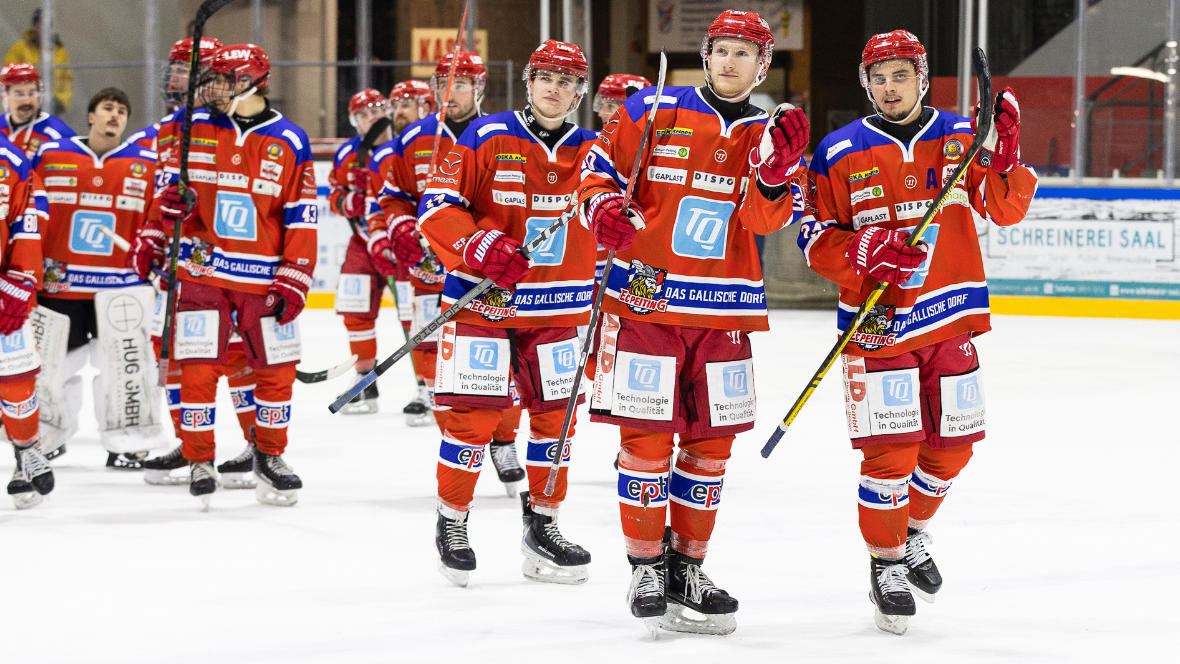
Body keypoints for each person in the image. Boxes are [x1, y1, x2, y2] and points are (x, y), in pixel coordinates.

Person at [796, 29, 1036, 635]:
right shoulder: (837, 149)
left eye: (900, 75)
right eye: (877, 77)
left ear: (922, 78)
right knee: (891, 453)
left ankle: (912, 532)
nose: (888, 87)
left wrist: (1004, 154)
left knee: (953, 447)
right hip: (877, 324)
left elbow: (1003, 208)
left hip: (949, 316)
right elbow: (812, 238)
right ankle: (886, 562)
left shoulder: (959, 136)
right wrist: (863, 250)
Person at [577, 9, 808, 635]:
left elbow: (767, 222)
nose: (731, 62)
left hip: (724, 313)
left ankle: (688, 566)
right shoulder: (653, 110)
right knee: (646, 442)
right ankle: (646, 565)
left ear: (763, 65)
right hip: (646, 303)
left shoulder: (775, 132)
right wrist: (601, 210)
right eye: (722, 50)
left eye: (745, 54)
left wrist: (777, 173)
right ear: (705, 56)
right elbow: (595, 174)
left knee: (710, 449)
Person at [418, 39, 599, 587]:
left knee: (555, 422)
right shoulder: (489, 132)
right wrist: (477, 246)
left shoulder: (594, 149)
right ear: (527, 81)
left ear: (579, 92)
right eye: (545, 76)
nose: (554, 88)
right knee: (470, 420)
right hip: (484, 303)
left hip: (558, 308)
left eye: (566, 81)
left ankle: (543, 523)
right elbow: (438, 205)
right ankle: (452, 521)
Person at [127, 43, 317, 508]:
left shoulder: (289, 139)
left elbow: (302, 214)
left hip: (263, 277)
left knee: (275, 372)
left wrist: (295, 275)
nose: (210, 87)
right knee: (196, 369)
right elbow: (170, 194)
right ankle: (199, 459)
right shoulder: (193, 130)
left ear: (249, 81)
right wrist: (158, 226)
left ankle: (269, 455)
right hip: (202, 270)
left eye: (221, 79)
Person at [367, 50, 525, 488]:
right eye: (441, 84)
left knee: (501, 363)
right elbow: (393, 195)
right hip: (429, 269)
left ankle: (504, 438)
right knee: (439, 363)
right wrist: (398, 224)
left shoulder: (502, 133)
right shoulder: (415, 136)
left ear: (479, 87)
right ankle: (461, 444)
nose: (447, 93)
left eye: (458, 84)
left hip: (488, 273)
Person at [129, 36, 260, 489]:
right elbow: (158, 194)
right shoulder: (167, 129)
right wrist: (151, 233)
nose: (177, 77)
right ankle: (191, 443)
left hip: (224, 267)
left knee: (239, 355)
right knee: (170, 355)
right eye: (175, 68)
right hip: (177, 265)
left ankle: (258, 446)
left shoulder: (230, 128)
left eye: (187, 68)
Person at [32, 87, 170, 469]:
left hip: (122, 288)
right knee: (50, 367)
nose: (115, 115)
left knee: (127, 369)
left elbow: (158, 221)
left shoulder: (146, 162)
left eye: (122, 111)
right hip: (61, 286)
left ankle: (128, 443)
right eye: (107, 108)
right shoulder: (51, 155)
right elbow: (31, 214)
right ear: (91, 116)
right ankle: (46, 437)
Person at [327, 88, 392, 414]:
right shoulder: (347, 154)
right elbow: (334, 194)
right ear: (355, 122)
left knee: (420, 314)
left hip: (402, 243)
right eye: (364, 114)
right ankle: (366, 381)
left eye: (377, 110)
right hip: (362, 243)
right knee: (354, 309)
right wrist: (347, 201)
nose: (372, 118)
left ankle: (428, 385)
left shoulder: (404, 145)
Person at [0, 130, 51, 509]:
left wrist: (20, 279)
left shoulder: (11, 162)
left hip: (3, 290)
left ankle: (26, 449)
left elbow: (28, 221)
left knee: (16, 379)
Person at [381, 79, 436, 418]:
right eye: (395, 106)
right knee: (414, 321)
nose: (397, 112)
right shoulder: (395, 150)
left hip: (455, 254)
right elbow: (386, 201)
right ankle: (423, 386)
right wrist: (384, 234)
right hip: (410, 254)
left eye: (405, 104)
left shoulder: (455, 139)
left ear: (426, 106)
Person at [3, 9, 72, 114]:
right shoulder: (20, 49)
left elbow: (66, 80)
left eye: (46, 26)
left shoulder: (59, 52)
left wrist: (61, 100)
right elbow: (8, 75)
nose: (42, 30)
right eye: (39, 26)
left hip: (51, 106)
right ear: (34, 27)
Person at [0, 62, 74, 159]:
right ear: (5, 95)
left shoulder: (58, 133)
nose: (27, 101)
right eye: (19, 94)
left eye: (32, 93)